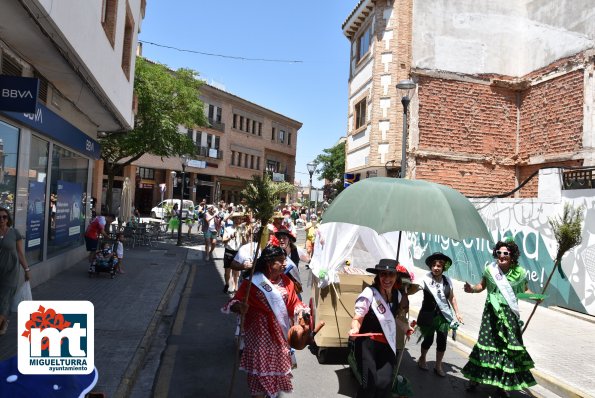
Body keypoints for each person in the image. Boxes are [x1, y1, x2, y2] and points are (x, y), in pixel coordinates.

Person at [222, 246, 308, 398]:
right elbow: (235, 301)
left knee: (274, 376)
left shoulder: (286, 281)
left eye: (285, 260)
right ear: (269, 263)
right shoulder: (254, 281)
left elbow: (295, 303)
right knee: (259, 376)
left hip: (279, 336)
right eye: (280, 261)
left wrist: (300, 311)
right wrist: (239, 306)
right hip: (258, 334)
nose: (285, 264)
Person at [462, 240, 537, 397]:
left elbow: (526, 290)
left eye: (505, 253)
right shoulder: (490, 270)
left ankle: (501, 385)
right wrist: (471, 289)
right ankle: (475, 378)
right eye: (499, 253)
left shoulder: (520, 273)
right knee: (485, 346)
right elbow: (481, 286)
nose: (501, 256)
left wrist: (537, 297)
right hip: (491, 316)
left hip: (509, 317)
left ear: (512, 256)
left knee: (505, 351)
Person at [348, 259, 414, 398]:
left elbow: (393, 318)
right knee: (369, 385)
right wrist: (355, 329)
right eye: (383, 274)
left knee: (385, 384)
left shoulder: (398, 295)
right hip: (368, 345)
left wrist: (406, 328)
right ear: (378, 276)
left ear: (396, 277)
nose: (387, 278)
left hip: (386, 344)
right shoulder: (369, 293)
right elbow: (357, 318)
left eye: (391, 274)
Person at [416, 252, 463, 377]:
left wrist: (457, 313)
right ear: (431, 267)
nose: (436, 268)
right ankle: (422, 358)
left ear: (443, 268)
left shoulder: (448, 281)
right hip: (428, 314)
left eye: (439, 266)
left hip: (443, 316)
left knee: (442, 341)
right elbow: (413, 288)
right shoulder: (425, 279)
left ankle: (438, 365)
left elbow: (452, 298)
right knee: (428, 340)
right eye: (434, 265)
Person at [0, 207, 30, 335]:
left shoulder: (14, 233)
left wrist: (26, 269)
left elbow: (20, 253)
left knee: (5, 300)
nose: (1, 219)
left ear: (8, 219)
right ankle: (4, 320)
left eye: (4, 217)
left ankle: (3, 321)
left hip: (10, 272)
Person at [273, 229, 310, 296]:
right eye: (280, 238)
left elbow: (308, 260)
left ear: (289, 240)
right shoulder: (276, 252)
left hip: (294, 285)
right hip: (280, 284)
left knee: (298, 303)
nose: (281, 240)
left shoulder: (297, 250)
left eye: (284, 238)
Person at [222, 212, 244, 293]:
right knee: (227, 272)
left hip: (238, 252)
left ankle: (235, 287)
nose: (238, 220)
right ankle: (227, 284)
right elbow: (223, 240)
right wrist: (230, 237)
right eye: (237, 218)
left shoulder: (242, 229)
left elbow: (245, 241)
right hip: (229, 252)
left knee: (236, 272)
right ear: (234, 219)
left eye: (239, 218)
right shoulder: (228, 229)